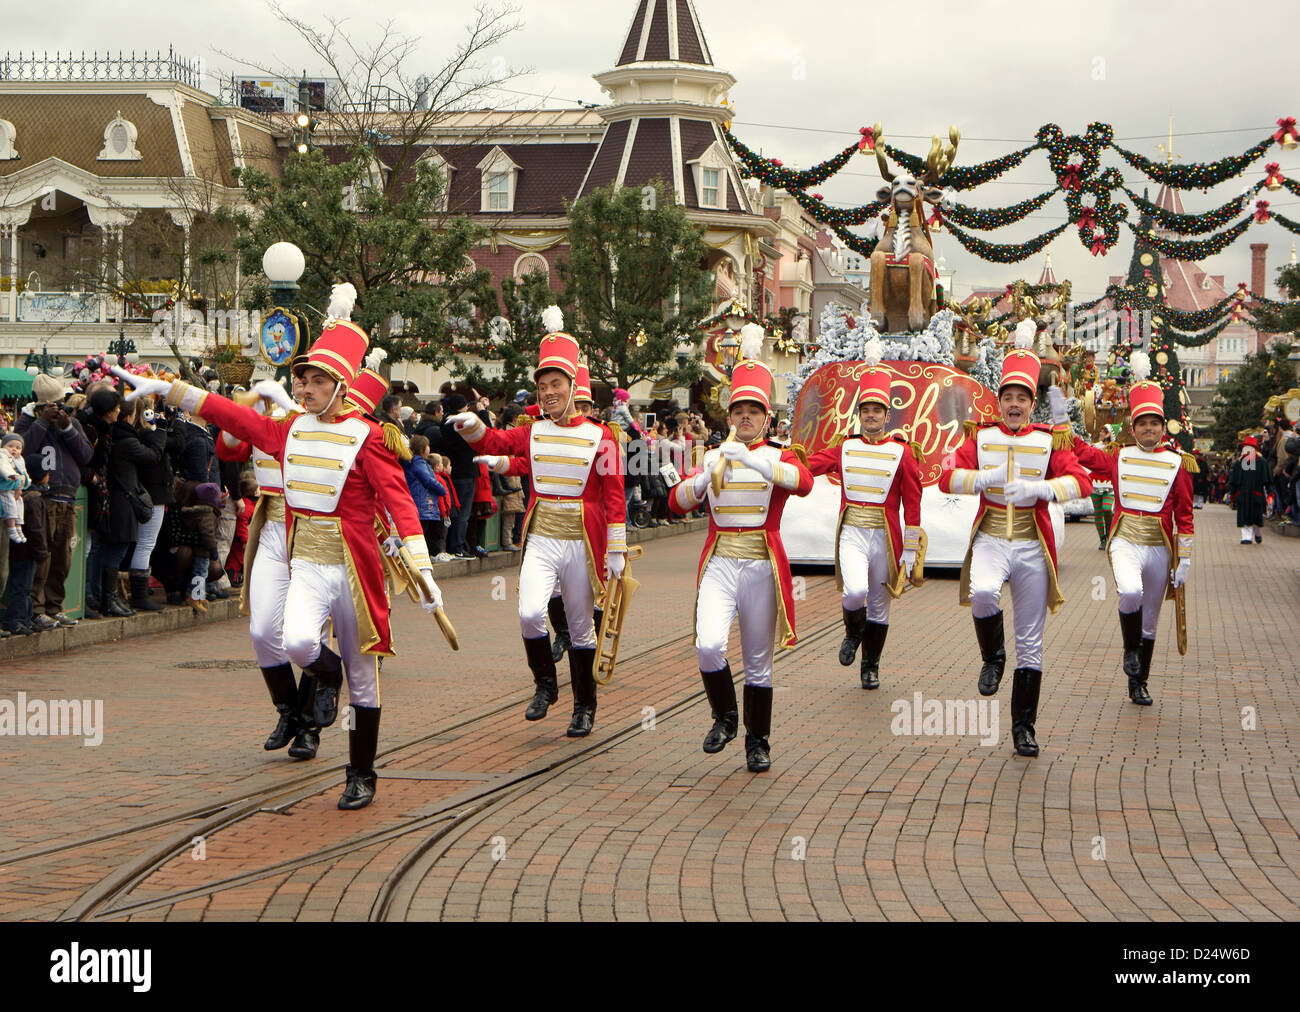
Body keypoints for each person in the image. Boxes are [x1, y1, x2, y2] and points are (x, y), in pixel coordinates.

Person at [116, 283, 442, 810]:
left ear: (340, 386)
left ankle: (361, 772)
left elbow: (400, 504)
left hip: (357, 568)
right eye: (302, 378)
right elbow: (233, 417)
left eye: (316, 380)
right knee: (294, 643)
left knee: (366, 677)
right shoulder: (287, 431)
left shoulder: (371, 437)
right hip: (308, 560)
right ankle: (325, 677)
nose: (305, 387)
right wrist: (168, 390)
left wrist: (422, 570)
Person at [452, 306, 626, 738]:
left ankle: (584, 706)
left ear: (572, 387)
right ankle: (545, 685)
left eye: (556, 385)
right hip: (542, 536)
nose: (548, 392)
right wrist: (474, 427)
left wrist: (617, 550)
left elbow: (614, 493)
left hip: (582, 543)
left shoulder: (602, 436)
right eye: (543, 385)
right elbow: (497, 440)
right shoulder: (532, 429)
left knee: (583, 628)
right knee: (530, 611)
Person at [937, 320, 1092, 758]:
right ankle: (992, 656)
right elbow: (946, 477)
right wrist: (983, 478)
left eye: (1022, 398)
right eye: (1007, 398)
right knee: (982, 592)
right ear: (999, 401)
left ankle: (1024, 728)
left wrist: (1042, 489)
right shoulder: (980, 437)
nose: (1014, 405)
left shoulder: (1049, 441)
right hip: (990, 538)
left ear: (1031, 403)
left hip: (1031, 545)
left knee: (1032, 642)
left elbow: (1081, 481)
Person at [668, 324, 813, 773]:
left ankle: (758, 741)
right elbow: (675, 504)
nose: (746, 418)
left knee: (758, 661)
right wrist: (693, 487)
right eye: (739, 411)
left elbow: (804, 484)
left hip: (761, 566)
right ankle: (725, 716)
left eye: (754, 411)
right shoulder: (711, 457)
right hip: (720, 561)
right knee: (709, 643)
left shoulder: (779, 455)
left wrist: (757, 461)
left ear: (766, 419)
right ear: (729, 417)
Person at [1070, 353, 1195, 706]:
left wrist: (1183, 558)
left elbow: (1185, 513)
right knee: (1129, 591)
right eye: (1143, 424)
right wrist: (1066, 431)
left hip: (1159, 547)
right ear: (1134, 427)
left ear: (1162, 425)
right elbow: (1088, 457)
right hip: (1125, 539)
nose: (1149, 430)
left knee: (1151, 621)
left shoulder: (1177, 462)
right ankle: (1130, 651)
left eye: (1155, 424)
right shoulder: (1119, 456)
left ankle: (1138, 682)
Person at [806, 337, 922, 690]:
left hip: (886, 538)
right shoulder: (846, 447)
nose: (871, 416)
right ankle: (852, 633)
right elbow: (809, 464)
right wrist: (772, 464)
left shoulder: (903, 453)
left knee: (880, 606)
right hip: (852, 533)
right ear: (859, 415)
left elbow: (914, 504)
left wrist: (912, 550)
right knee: (855, 592)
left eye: (877, 411)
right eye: (865, 410)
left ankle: (870, 666)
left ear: (887, 416)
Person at [15, 373, 93, 628]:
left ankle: (55, 606)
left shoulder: (70, 423)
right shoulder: (27, 422)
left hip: (67, 497)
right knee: (42, 557)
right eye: (52, 405)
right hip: (42, 497)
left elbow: (85, 454)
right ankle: (36, 610)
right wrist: (42, 423)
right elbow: (21, 451)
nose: (58, 408)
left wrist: (66, 426)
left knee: (63, 558)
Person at [405, 434, 448, 559]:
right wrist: (442, 489)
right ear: (422, 448)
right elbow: (428, 480)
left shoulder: (420, 462)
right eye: (427, 446)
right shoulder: (419, 463)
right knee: (424, 533)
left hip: (422, 503)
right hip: (422, 503)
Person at [1228, 436, 1271, 544]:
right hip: (1243, 494)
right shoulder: (1239, 463)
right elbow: (1234, 481)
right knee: (1244, 516)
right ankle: (1246, 537)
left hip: (1256, 493)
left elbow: (1266, 480)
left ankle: (1257, 533)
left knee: (1256, 517)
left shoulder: (1261, 462)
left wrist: (1269, 493)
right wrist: (1233, 495)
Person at [1, 433, 30, 544]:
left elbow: (26, 480)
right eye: (10, 446)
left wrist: (23, 480)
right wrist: (18, 479)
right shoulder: (2, 456)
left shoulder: (19, 460)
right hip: (5, 493)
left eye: (18, 448)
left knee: (19, 504)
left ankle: (18, 527)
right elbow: (5, 471)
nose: (14, 450)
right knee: (11, 505)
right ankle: (12, 528)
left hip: (14, 493)